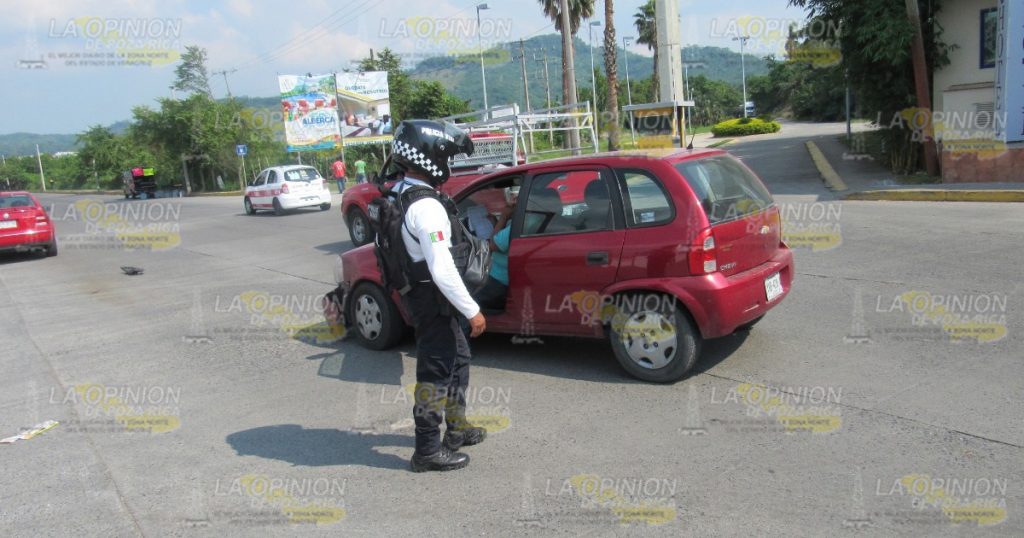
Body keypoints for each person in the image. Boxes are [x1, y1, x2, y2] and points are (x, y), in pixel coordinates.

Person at [389, 120, 488, 473]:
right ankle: (427, 450)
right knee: (434, 373)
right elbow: (442, 268)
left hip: (422, 295)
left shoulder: (401, 191)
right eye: (446, 156)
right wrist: (473, 310)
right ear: (431, 157)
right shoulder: (426, 207)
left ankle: (457, 426)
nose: (448, 164)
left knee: (458, 359)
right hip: (432, 299)